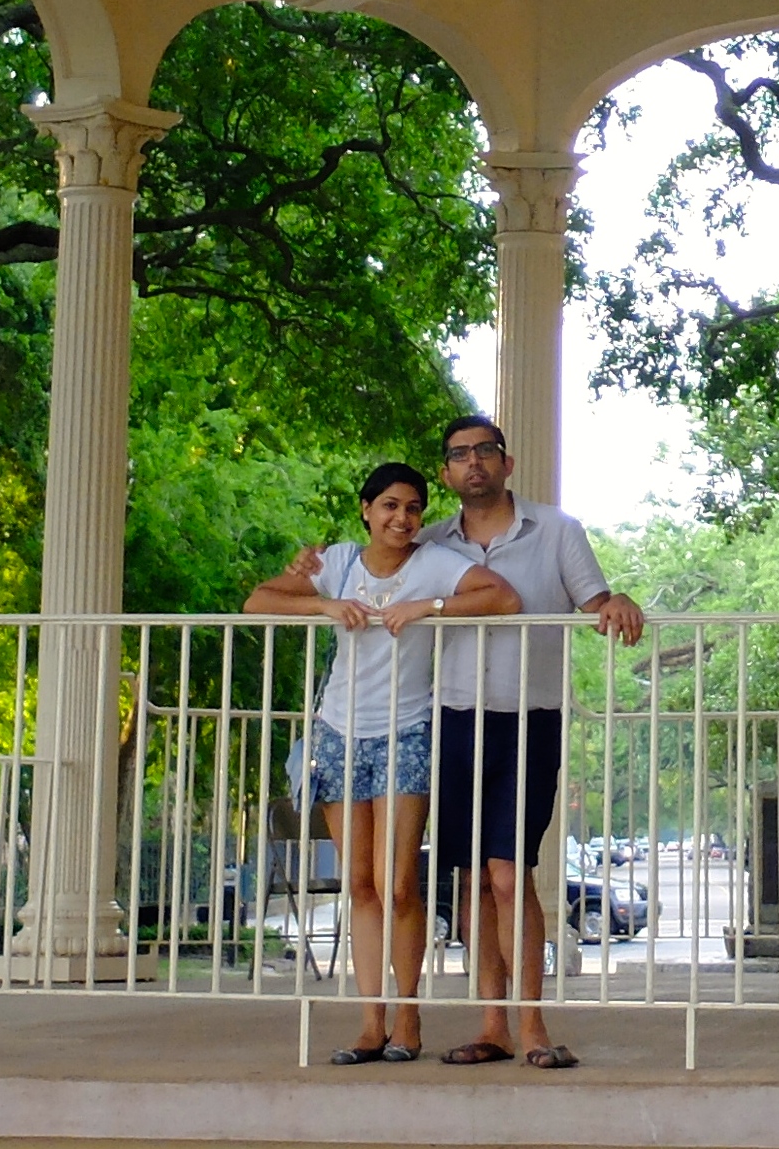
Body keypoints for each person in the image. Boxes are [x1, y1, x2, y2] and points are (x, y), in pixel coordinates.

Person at [245, 461, 517, 1064]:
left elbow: (503, 596)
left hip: (406, 730)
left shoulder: (434, 562)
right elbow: (258, 599)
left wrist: (430, 607)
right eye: (390, 505)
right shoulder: (339, 561)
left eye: (413, 507)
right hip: (338, 732)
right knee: (360, 884)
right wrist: (323, 607)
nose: (402, 517)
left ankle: (408, 1014)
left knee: (398, 884)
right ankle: (371, 1022)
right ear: (367, 510)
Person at [419, 413, 643, 1071]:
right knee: (472, 879)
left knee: (509, 873)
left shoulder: (556, 530)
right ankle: (491, 1026)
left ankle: (533, 1026)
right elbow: (372, 578)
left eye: (485, 450)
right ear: (446, 473)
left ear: (506, 462)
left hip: (529, 716)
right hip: (453, 718)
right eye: (459, 454)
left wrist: (619, 599)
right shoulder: (431, 543)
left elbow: (595, 600)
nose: (473, 462)